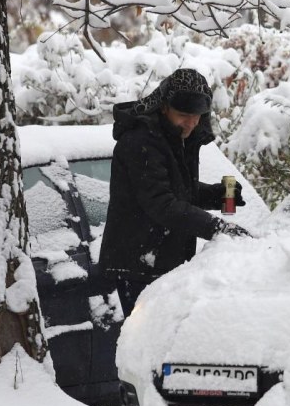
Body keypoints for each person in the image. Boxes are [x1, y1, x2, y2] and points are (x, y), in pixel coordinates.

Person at [99, 68, 250, 317]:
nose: (191, 123)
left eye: (197, 116)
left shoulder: (179, 136)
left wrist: (217, 195)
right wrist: (217, 228)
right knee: (149, 345)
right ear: (163, 107)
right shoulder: (140, 142)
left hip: (165, 261)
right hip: (138, 264)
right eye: (184, 115)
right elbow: (161, 203)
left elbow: (177, 190)